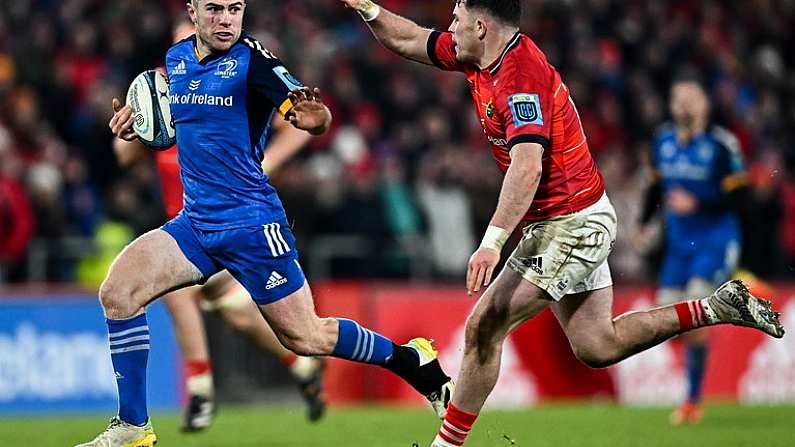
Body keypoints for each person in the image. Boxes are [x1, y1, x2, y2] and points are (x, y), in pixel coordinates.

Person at [338, 1, 784, 446]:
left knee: (484, 326)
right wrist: (368, 8)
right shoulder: (477, 52)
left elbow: (527, 167)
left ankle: (446, 446)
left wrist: (492, 242)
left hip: (570, 222)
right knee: (597, 345)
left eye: (455, 20)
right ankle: (715, 308)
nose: (448, 28)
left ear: (480, 25)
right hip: (568, 218)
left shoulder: (520, 78)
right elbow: (409, 39)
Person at [76, 1, 452, 446]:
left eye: (235, 9)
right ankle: (134, 428)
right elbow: (160, 133)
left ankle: (412, 361)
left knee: (306, 337)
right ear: (193, 12)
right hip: (194, 224)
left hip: (252, 225)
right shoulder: (175, 62)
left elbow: (311, 113)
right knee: (118, 292)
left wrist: (315, 117)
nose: (226, 19)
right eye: (214, 9)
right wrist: (132, 128)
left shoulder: (253, 61)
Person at [114, 109, 327, 431]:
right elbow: (125, 157)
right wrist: (131, 128)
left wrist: (266, 163)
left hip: (228, 225)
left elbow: (296, 126)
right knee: (236, 312)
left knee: (179, 295)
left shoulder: (224, 98)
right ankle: (302, 365)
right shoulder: (164, 104)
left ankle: (200, 393)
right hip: (187, 233)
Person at [637, 76, 750, 425]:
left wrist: (698, 202)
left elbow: (741, 197)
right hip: (678, 247)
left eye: (690, 97)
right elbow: (656, 187)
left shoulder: (721, 145)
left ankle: (692, 401)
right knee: (667, 318)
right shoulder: (663, 142)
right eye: (677, 98)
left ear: (704, 104)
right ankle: (692, 387)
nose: (683, 104)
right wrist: (644, 223)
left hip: (715, 242)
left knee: (695, 312)